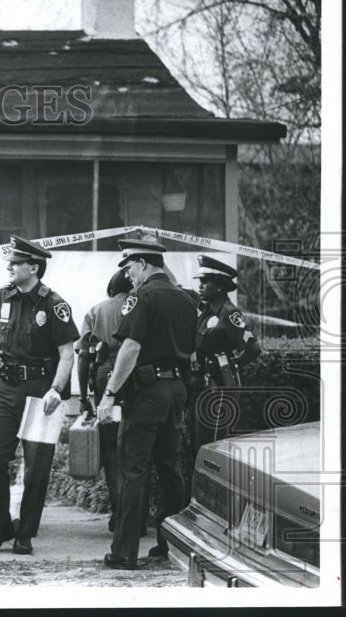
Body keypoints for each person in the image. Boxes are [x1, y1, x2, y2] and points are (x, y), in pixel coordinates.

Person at [97, 238, 196, 570]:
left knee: (134, 469)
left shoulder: (142, 296)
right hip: (176, 391)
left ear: (141, 264)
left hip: (147, 393)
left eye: (129, 268)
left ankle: (124, 553)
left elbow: (130, 349)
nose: (128, 276)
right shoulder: (186, 299)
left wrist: (109, 393)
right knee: (171, 470)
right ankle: (171, 546)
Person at [0, 236, 78, 555]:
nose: (9, 266)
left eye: (16, 263)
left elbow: (67, 354)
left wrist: (56, 390)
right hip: (6, 388)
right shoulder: (1, 296)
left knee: (37, 467)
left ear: (33, 268)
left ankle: (25, 532)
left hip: (40, 391)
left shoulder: (54, 304)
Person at [187, 256, 261, 475]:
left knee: (213, 447)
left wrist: (228, 365)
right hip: (202, 385)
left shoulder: (230, 313)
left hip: (219, 388)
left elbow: (253, 349)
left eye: (205, 282)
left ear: (220, 286)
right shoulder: (207, 311)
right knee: (199, 444)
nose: (200, 286)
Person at [76, 268, 130, 532]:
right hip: (137, 380)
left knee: (111, 447)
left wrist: (84, 399)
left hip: (105, 377)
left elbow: (84, 355)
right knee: (137, 446)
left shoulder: (97, 310)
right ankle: (137, 516)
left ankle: (119, 513)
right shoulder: (141, 305)